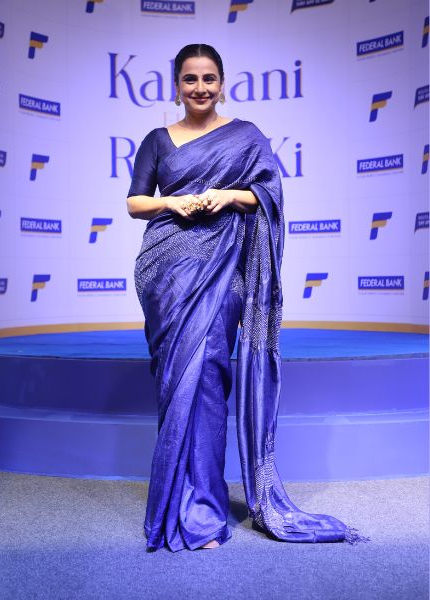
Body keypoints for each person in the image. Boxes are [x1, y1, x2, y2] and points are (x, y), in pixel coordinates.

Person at [126, 44, 364, 553]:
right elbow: (134, 202)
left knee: (210, 378)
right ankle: (173, 501)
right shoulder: (157, 140)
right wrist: (173, 202)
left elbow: (270, 194)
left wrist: (230, 195)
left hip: (222, 272)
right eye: (190, 79)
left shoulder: (247, 137)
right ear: (176, 86)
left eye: (209, 78)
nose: (200, 88)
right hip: (165, 272)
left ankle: (204, 511)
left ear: (222, 83)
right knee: (175, 384)